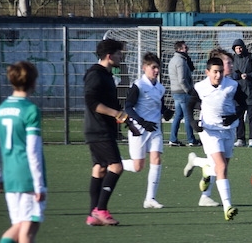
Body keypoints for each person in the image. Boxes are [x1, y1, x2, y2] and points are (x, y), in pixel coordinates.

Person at [0, 61, 62, 243]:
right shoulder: (30, 110)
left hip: (10, 177)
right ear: (33, 81)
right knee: (29, 228)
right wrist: (39, 184)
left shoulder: (3, 108)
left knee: (20, 225)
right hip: (27, 177)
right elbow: (33, 151)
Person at [184, 52, 246, 220]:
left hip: (229, 130)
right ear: (207, 72)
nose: (218, 75)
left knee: (222, 167)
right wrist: (193, 123)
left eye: (220, 71)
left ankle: (201, 165)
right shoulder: (200, 87)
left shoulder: (232, 85)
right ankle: (228, 206)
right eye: (215, 72)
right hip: (210, 131)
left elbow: (243, 104)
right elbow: (189, 105)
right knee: (221, 166)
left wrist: (233, 117)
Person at [84, 38, 136, 226]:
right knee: (116, 166)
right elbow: (92, 102)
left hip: (100, 129)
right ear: (109, 56)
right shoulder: (95, 75)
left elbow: (112, 104)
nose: (121, 56)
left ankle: (93, 214)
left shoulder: (106, 75)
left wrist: (127, 122)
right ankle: (101, 209)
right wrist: (115, 114)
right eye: (119, 53)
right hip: (99, 130)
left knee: (100, 168)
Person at [121, 52, 173, 208]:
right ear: (144, 68)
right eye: (153, 67)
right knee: (138, 167)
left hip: (154, 129)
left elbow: (160, 106)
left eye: (158, 68)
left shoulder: (160, 88)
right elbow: (128, 108)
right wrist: (142, 122)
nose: (156, 71)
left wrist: (166, 111)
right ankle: (115, 163)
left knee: (156, 159)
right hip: (138, 129)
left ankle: (150, 198)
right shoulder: (138, 85)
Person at [231, 38, 252, 148]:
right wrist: (237, 76)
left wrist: (249, 75)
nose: (239, 50)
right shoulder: (233, 59)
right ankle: (240, 139)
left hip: (251, 92)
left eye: (240, 47)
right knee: (239, 117)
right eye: (236, 48)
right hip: (239, 93)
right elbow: (230, 74)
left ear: (244, 47)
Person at [167, 40, 197, 147]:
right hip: (182, 92)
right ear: (179, 49)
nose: (187, 49)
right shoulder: (180, 61)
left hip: (176, 91)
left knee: (178, 115)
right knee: (188, 116)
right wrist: (189, 90)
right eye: (185, 47)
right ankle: (191, 140)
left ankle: (173, 139)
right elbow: (182, 79)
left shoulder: (173, 60)